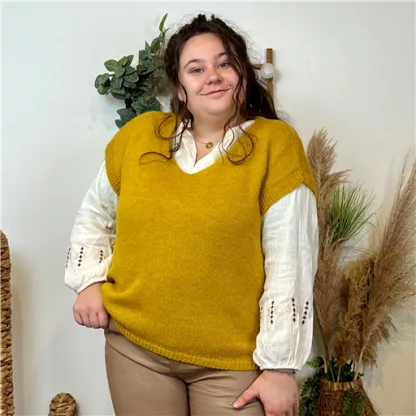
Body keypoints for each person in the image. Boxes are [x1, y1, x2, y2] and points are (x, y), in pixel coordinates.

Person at [65, 13, 318, 416]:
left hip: (231, 362)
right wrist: (89, 280)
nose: (212, 77)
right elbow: (95, 212)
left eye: (224, 63)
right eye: (196, 69)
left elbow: (291, 259)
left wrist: (280, 368)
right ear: (180, 88)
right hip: (135, 349)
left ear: (243, 73)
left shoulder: (276, 144)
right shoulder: (140, 135)